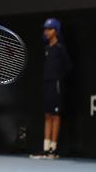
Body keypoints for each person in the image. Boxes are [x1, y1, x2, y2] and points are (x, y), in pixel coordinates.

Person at [31, 18, 72, 160]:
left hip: (56, 84)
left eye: (50, 29)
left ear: (56, 31)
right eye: (45, 29)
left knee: (55, 115)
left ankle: (53, 150)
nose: (46, 32)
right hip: (46, 83)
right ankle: (45, 149)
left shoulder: (60, 48)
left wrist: (58, 78)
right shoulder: (47, 49)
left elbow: (68, 67)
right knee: (47, 115)